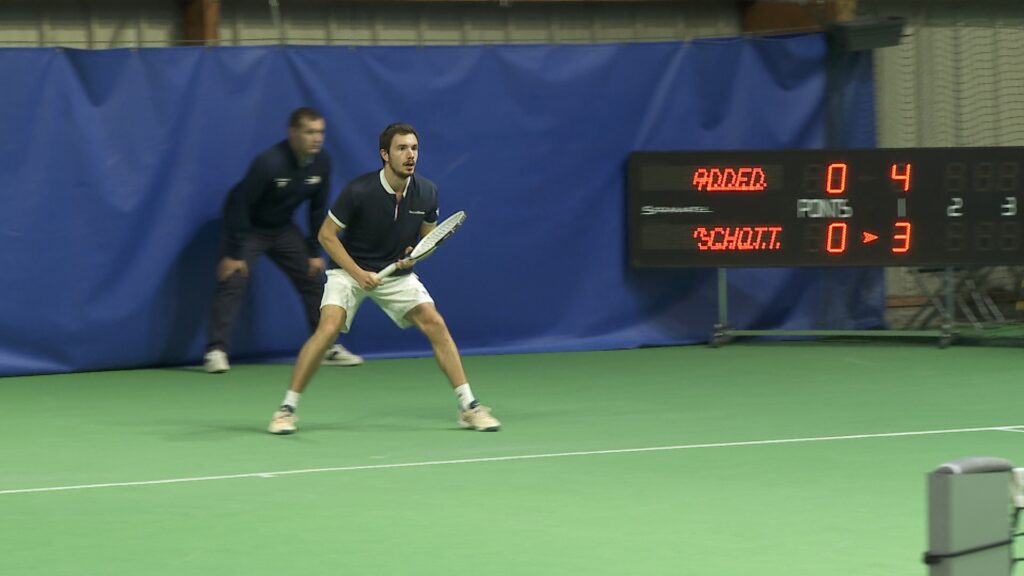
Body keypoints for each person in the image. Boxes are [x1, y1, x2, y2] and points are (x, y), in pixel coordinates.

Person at [267, 122, 500, 434]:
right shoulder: (359, 190)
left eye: (414, 148)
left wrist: (414, 255)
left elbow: (426, 244)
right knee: (328, 328)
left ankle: (468, 406)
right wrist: (358, 273)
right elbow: (326, 236)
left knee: (435, 323)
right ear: (384, 154)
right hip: (350, 272)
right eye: (402, 148)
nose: (410, 155)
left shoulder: (427, 192)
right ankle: (286, 409)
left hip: (395, 275)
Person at [204, 107, 363, 373]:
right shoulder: (269, 162)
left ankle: (327, 347)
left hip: (282, 229)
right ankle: (216, 351)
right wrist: (234, 253)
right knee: (233, 279)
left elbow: (316, 208)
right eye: (310, 132)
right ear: (293, 134)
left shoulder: (322, 162)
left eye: (321, 132)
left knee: (315, 279)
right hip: (249, 227)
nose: (317, 138)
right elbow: (239, 205)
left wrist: (314, 251)